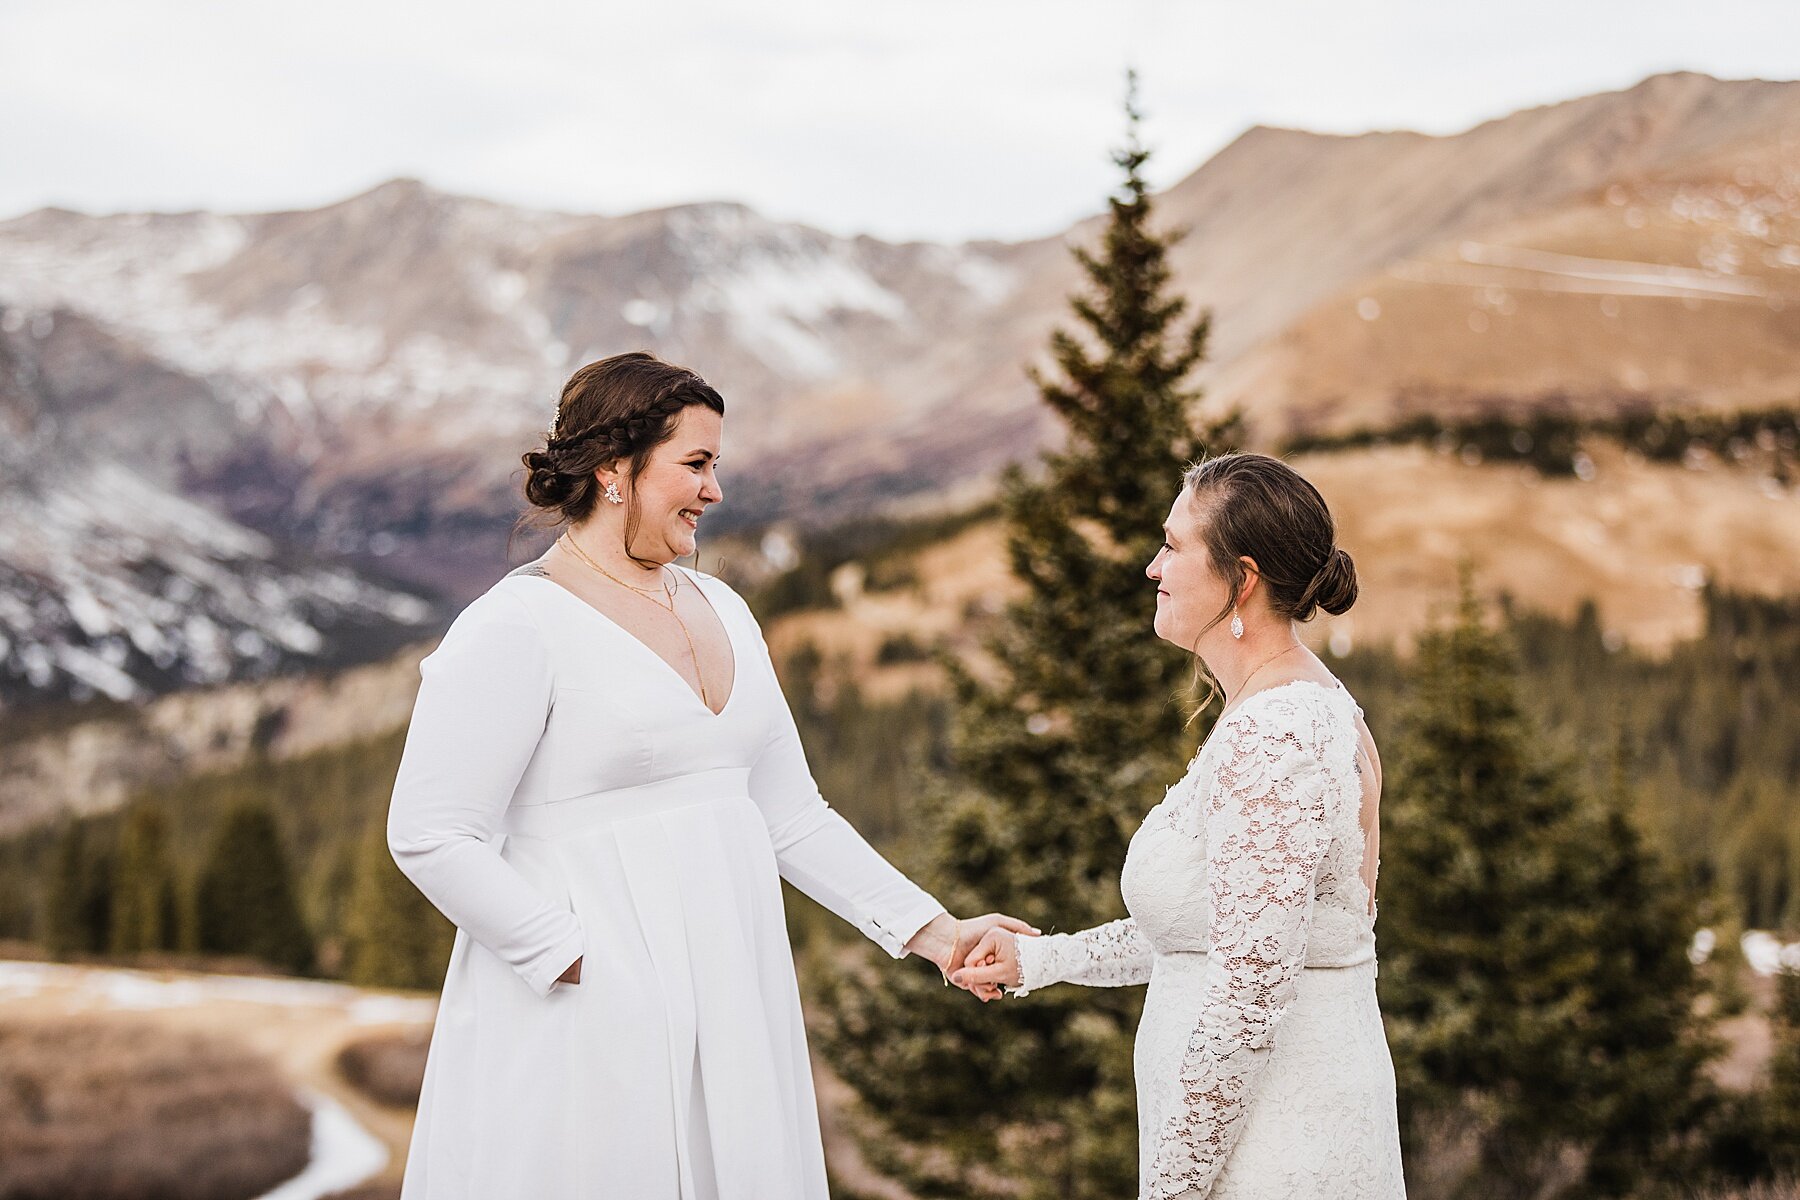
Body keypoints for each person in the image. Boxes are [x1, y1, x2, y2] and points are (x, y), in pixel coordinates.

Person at [387, 351, 1031, 1200]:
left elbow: (792, 817)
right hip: (582, 1018)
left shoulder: (725, 608)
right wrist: (579, 961)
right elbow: (430, 832)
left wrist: (939, 936)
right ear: (616, 471)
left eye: (714, 464)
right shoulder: (513, 625)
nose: (715, 491)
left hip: (733, 995)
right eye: (695, 464)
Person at [955, 452, 1407, 1199]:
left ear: (1243, 578)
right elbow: (1215, 928)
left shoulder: (1280, 735)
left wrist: (1174, 1186)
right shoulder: (1277, 709)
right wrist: (1044, 961)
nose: (1152, 568)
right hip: (1260, 1134)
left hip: (1277, 1150)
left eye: (1173, 545)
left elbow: (1248, 994)